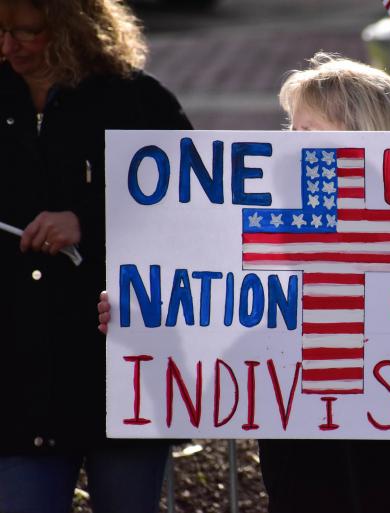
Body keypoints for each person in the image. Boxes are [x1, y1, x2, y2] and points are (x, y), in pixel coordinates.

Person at [97, 51, 390, 512]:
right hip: (315, 480)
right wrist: (144, 324)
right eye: (292, 129)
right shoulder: (267, 240)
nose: (291, 142)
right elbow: (220, 372)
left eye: (309, 130)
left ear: (369, 135)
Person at [0, 1, 192, 512]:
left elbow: (192, 211)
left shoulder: (138, 101)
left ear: (71, 30)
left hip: (121, 371)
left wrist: (88, 222)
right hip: (19, 384)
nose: (7, 46)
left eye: (25, 32)